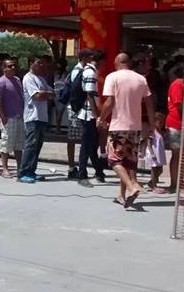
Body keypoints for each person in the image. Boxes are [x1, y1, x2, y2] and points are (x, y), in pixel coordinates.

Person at [98, 53, 154, 209]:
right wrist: (152, 124)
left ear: (116, 62)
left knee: (114, 160)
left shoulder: (112, 77)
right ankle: (121, 195)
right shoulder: (141, 79)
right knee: (127, 161)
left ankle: (131, 186)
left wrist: (101, 118)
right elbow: (149, 103)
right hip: (135, 127)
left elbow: (109, 102)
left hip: (118, 125)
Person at [72, 49, 106, 186]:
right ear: (100, 61)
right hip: (88, 114)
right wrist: (96, 116)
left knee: (92, 144)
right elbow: (90, 95)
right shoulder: (90, 73)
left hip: (87, 113)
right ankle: (82, 175)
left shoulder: (87, 71)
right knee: (87, 145)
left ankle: (99, 171)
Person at [19, 56, 54, 183]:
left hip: (42, 116)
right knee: (30, 145)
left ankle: (31, 170)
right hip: (32, 116)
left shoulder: (41, 79)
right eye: (38, 63)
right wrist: (46, 94)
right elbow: (37, 96)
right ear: (31, 63)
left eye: (42, 63)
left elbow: (52, 93)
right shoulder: (28, 78)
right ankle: (23, 172)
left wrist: (46, 94)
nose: (41, 65)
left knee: (37, 146)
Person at [0, 57, 25, 179]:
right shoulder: (0, 83)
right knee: (6, 143)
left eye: (14, 65)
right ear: (4, 68)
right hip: (8, 117)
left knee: (19, 144)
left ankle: (20, 167)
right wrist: (2, 116)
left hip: (19, 116)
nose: (13, 67)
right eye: (10, 66)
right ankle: (5, 168)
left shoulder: (17, 80)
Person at [164, 64, 184, 193]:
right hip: (176, 124)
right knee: (177, 155)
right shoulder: (178, 84)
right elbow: (179, 105)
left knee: (183, 154)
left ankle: (180, 180)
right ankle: (174, 183)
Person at [144, 112, 168, 193]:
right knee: (154, 170)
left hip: (159, 153)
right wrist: (152, 153)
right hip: (154, 152)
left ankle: (151, 182)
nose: (161, 124)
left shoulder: (160, 131)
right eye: (159, 122)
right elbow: (149, 142)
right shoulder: (152, 131)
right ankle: (154, 186)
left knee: (160, 169)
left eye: (162, 122)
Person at [53, 61, 67, 134]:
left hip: (56, 93)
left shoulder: (56, 73)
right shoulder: (65, 74)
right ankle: (58, 128)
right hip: (61, 94)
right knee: (60, 112)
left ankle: (57, 127)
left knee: (57, 112)